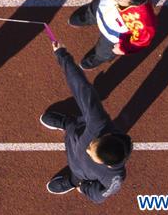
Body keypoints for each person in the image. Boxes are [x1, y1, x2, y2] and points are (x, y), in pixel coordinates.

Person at [42, 42, 132, 203]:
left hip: (80, 173)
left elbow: (100, 196)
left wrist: (84, 188)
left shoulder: (115, 178)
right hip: (75, 134)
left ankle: (72, 181)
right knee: (74, 127)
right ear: (105, 137)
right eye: (93, 145)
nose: (88, 149)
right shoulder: (98, 122)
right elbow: (82, 88)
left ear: (107, 164)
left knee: (77, 175)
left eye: (91, 152)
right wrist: (62, 55)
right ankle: (66, 122)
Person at [68, 0, 157, 69]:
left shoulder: (143, 20)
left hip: (112, 36)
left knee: (103, 53)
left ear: (134, 5)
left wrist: (124, 48)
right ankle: (82, 19)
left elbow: (141, 40)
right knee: (89, 13)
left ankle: (95, 59)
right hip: (100, 8)